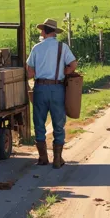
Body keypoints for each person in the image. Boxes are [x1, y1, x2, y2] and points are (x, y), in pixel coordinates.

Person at [26, 18, 77, 169]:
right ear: (54, 32)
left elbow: (29, 71)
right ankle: (57, 159)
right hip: (57, 88)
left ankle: (42, 158)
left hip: (40, 88)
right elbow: (73, 65)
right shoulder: (63, 47)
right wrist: (64, 72)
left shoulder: (36, 48)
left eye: (42, 30)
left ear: (44, 31)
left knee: (39, 122)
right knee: (58, 123)